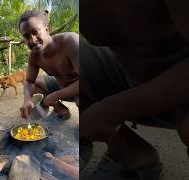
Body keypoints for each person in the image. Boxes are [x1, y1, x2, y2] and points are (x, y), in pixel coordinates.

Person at [80, 1, 189, 179]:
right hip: (130, 74)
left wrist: (114, 109)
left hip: (181, 89)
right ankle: (133, 157)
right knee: (68, 66)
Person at [18, 9, 80, 121]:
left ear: (47, 29)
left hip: (79, 88)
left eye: (35, 32)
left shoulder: (70, 41)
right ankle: (61, 109)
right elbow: (29, 82)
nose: (32, 40)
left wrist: (54, 96)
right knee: (34, 84)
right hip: (60, 85)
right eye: (27, 37)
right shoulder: (34, 56)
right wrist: (27, 100)